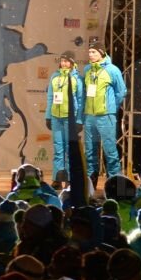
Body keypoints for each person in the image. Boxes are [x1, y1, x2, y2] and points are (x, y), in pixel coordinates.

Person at [81, 42, 126, 184]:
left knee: (110, 150)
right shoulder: (87, 69)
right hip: (90, 116)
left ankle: (114, 182)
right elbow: (84, 92)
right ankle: (90, 184)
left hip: (106, 116)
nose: (91, 55)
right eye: (89, 52)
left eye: (94, 52)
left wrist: (111, 106)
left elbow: (121, 91)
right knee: (90, 151)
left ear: (101, 53)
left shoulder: (112, 70)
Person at [44, 51, 83, 186]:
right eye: (62, 61)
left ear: (72, 63)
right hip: (56, 117)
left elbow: (80, 100)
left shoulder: (77, 78)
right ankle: (57, 177)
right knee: (58, 147)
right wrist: (48, 116)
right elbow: (50, 97)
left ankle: (70, 178)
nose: (64, 63)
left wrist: (79, 120)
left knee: (69, 147)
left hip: (70, 118)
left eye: (67, 61)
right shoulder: (54, 77)